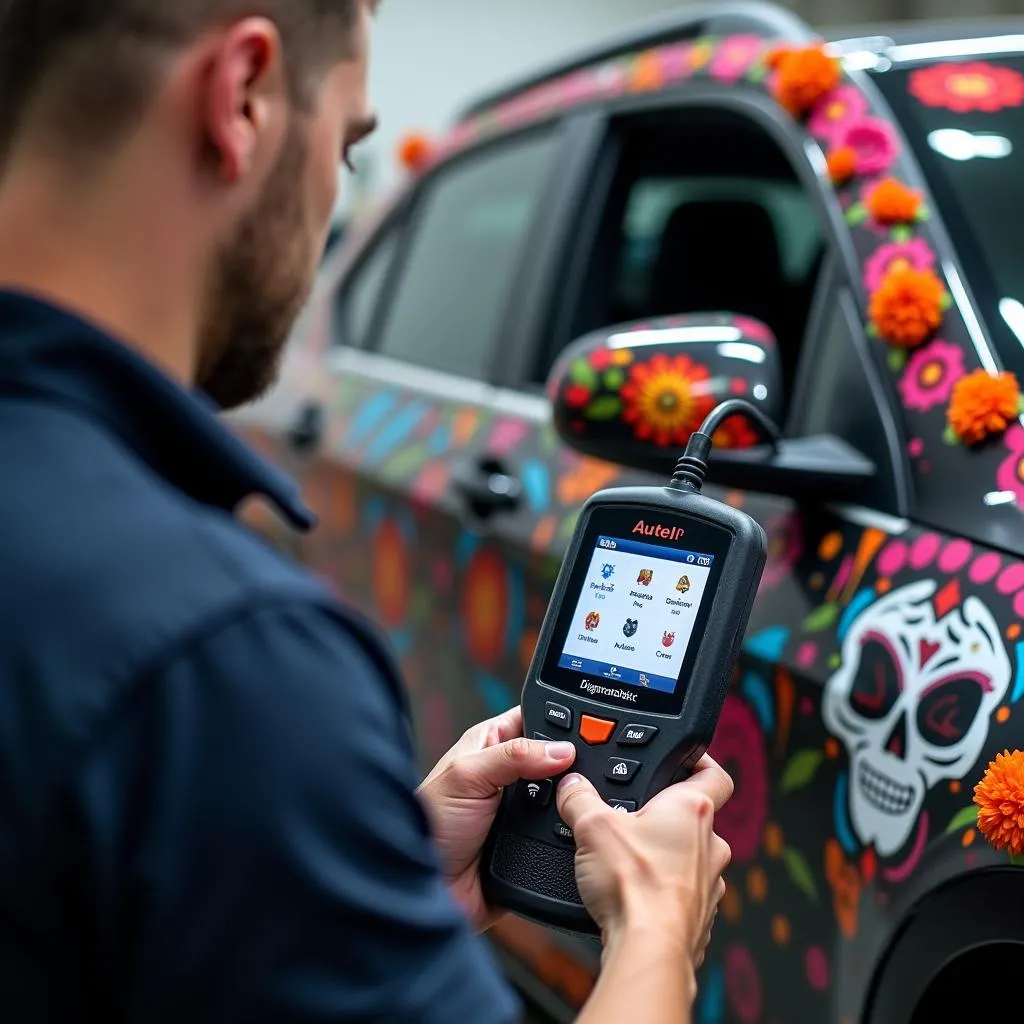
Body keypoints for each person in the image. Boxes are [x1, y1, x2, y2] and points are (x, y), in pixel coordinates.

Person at [0, 2, 733, 1022]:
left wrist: (378, 899)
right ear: (244, 96)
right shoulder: (224, 658)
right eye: (347, 147)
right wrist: (656, 931)